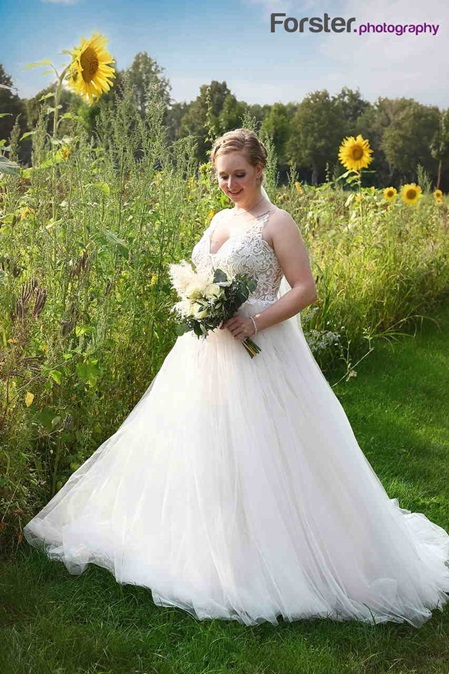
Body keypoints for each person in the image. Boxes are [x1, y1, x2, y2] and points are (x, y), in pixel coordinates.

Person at [23, 128, 449, 628]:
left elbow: (305, 289)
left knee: (264, 450)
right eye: (222, 176)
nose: (229, 184)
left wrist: (254, 320)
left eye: (238, 175)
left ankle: (270, 552)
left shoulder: (278, 223)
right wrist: (197, 302)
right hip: (204, 355)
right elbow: (202, 274)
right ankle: (206, 541)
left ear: (260, 169)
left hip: (260, 353)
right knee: (202, 446)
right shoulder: (221, 217)